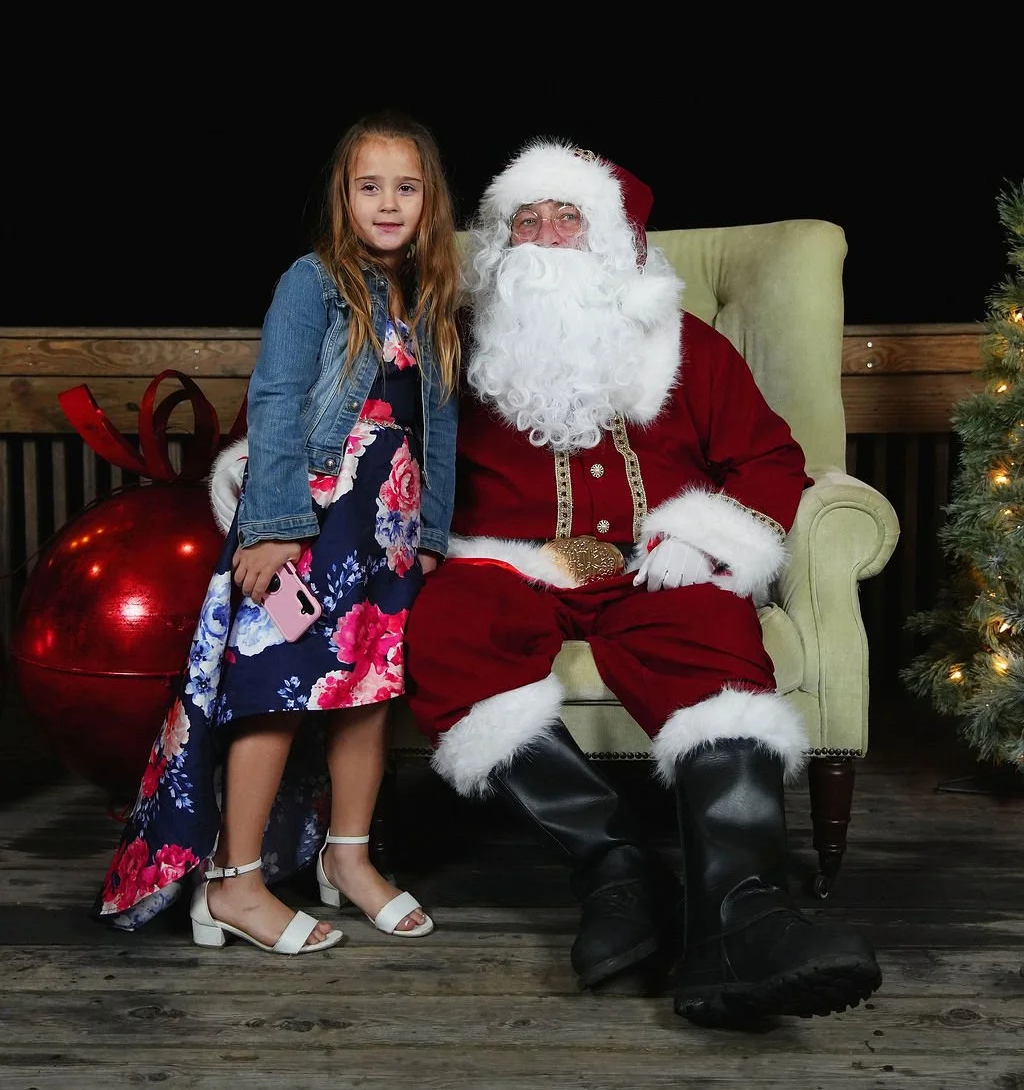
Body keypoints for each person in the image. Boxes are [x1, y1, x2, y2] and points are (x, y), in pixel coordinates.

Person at [401, 137, 883, 1026]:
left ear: (611, 239)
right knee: (446, 631)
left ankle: (744, 915)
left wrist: (706, 542)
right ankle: (616, 867)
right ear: (501, 245)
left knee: (715, 631)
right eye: (526, 221)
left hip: (649, 568)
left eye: (567, 216)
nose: (545, 236)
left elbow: (771, 460)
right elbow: (347, 404)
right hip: (511, 568)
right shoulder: (450, 344)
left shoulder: (686, 347)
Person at [92, 108, 462, 955]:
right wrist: (274, 527)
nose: (388, 203)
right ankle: (234, 883)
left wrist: (430, 532)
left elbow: (437, 423)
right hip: (311, 530)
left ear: (430, 202)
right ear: (343, 196)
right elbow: (276, 398)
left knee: (369, 697)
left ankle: (350, 858)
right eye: (370, 186)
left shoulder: (434, 297)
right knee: (276, 693)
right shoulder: (315, 280)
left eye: (406, 188)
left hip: (388, 538)